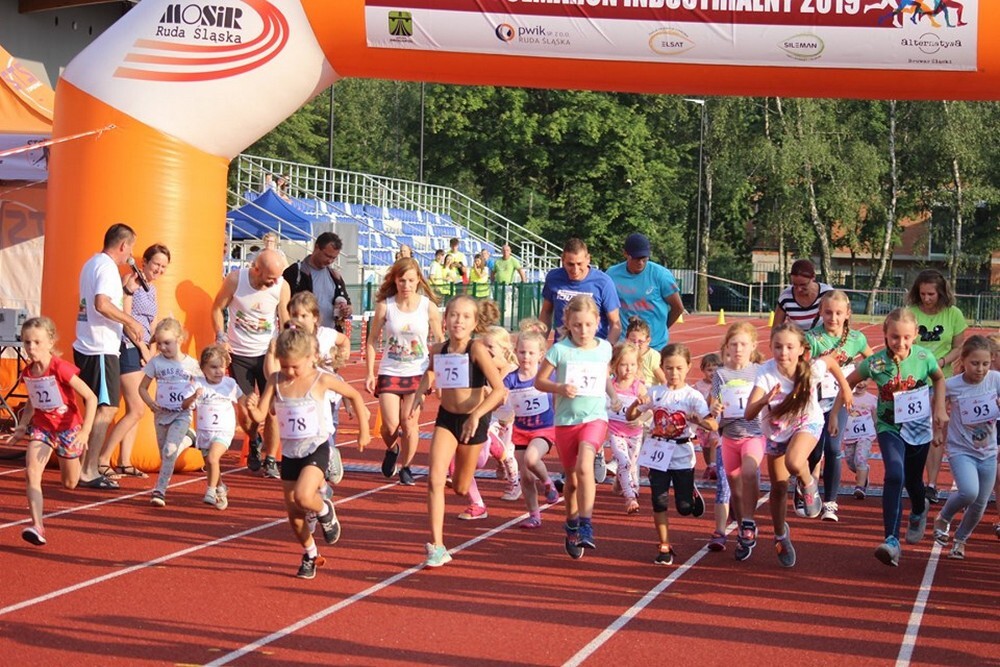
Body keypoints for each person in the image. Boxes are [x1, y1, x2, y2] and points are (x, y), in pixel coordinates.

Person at [246, 328, 370, 579]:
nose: (289, 372)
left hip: (316, 447)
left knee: (304, 496)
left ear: (310, 358)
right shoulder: (276, 380)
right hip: (290, 453)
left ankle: (325, 510)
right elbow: (262, 415)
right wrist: (250, 410)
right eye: (284, 366)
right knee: (294, 516)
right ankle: (311, 554)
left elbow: (354, 395)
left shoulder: (321, 379)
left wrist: (364, 431)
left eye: (295, 367)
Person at [831, 308, 947, 567]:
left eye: (906, 337)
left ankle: (918, 510)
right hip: (889, 428)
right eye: (895, 337)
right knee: (895, 474)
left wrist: (939, 408)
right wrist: (836, 413)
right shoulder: (875, 363)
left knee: (915, 481)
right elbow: (847, 382)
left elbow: (939, 379)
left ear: (915, 335)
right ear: (885, 335)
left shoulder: (923, 357)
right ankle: (891, 540)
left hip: (918, 429)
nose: (901, 343)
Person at [745, 323, 851, 567]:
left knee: (795, 461)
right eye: (778, 347)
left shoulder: (811, 368)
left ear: (802, 349)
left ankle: (808, 482)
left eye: (789, 347)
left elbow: (832, 362)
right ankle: (781, 535)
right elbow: (749, 413)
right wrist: (764, 400)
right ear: (770, 347)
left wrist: (845, 389)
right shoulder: (765, 372)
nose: (783, 352)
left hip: (807, 422)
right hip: (776, 431)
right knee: (779, 487)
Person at [413, 296, 507, 567]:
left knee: (461, 486)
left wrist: (477, 415)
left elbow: (500, 390)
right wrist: (421, 392)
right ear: (446, 318)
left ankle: (490, 450)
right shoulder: (439, 349)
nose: (458, 321)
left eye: (466, 317)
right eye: (454, 315)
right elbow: (430, 373)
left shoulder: (476, 349)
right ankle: (437, 546)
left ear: (475, 323)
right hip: (447, 419)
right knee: (434, 479)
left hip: (473, 421)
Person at [534, 294, 613, 558]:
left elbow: (605, 378)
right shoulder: (560, 350)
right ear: (567, 322)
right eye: (577, 325)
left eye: (589, 325)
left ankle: (587, 524)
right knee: (572, 482)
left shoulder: (604, 348)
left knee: (584, 466)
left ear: (597, 323)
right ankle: (571, 522)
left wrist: (615, 396)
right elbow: (539, 381)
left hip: (595, 418)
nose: (583, 331)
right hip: (566, 421)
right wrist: (560, 387)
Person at [626, 343, 716, 565]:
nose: (673, 373)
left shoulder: (693, 396)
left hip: (682, 454)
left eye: (678, 368)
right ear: (662, 368)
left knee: (684, 508)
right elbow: (630, 416)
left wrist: (700, 421)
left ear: (687, 367)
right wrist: (636, 405)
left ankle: (691, 494)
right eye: (668, 368)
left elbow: (712, 424)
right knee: (659, 500)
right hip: (657, 452)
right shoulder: (655, 393)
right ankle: (664, 544)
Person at [74, 223, 146, 490]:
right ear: (123, 246)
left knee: (99, 406)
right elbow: (101, 303)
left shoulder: (93, 263)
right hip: (99, 347)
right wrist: (130, 321)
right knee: (107, 408)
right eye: (132, 248)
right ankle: (89, 468)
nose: (132, 254)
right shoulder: (105, 267)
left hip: (94, 345)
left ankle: (88, 466)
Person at [15, 317, 98, 546]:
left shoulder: (60, 368)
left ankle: (73, 466)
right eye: (27, 342)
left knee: (70, 483)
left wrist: (85, 432)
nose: (31, 348)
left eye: (37, 342)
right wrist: (23, 425)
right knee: (31, 473)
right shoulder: (28, 372)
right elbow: (32, 401)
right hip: (42, 428)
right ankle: (37, 525)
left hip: (69, 429)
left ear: (50, 342)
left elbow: (91, 397)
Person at [211, 248, 290, 478]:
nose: (273, 282)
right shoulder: (236, 279)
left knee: (273, 410)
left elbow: (284, 317)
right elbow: (217, 308)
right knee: (246, 413)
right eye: (269, 278)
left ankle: (271, 458)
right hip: (239, 354)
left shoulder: (281, 286)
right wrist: (220, 336)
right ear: (256, 269)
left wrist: (287, 346)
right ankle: (254, 438)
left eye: (277, 278)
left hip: (268, 354)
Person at [365, 258, 443, 486]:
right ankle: (392, 448)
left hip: (417, 371)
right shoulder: (385, 306)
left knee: (408, 423)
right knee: (388, 426)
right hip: (390, 369)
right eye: (401, 280)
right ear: (395, 280)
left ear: (418, 280)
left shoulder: (428, 306)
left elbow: (439, 341)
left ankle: (407, 467)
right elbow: (371, 341)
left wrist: (438, 373)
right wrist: (370, 373)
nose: (406, 285)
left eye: (410, 280)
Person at [99, 244, 171, 480]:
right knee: (138, 408)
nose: (158, 269)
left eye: (163, 266)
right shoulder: (129, 282)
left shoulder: (153, 289)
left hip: (144, 350)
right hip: (128, 346)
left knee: (133, 409)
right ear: (145, 263)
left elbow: (152, 323)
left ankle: (124, 461)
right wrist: (140, 346)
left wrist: (153, 348)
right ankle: (102, 459)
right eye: (155, 264)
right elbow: (125, 318)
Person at [805, 290, 873, 522]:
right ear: (821, 313)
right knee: (814, 450)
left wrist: (863, 376)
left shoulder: (856, 339)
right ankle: (807, 487)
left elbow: (871, 359)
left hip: (841, 399)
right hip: (814, 400)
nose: (833, 318)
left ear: (847, 314)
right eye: (828, 312)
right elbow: (801, 368)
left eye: (838, 313)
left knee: (834, 448)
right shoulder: (812, 338)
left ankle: (830, 502)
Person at [931, 336, 998, 560]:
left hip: (988, 452)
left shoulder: (996, 380)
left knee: (979, 505)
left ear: (992, 361)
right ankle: (944, 517)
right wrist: (938, 429)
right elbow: (937, 405)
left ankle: (960, 540)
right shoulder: (951, 385)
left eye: (985, 364)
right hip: (961, 450)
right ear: (964, 361)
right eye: (975, 363)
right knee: (969, 492)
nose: (980, 369)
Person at [905, 269, 968, 504]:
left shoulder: (954, 314)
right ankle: (913, 478)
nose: (926, 298)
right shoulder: (910, 313)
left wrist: (939, 363)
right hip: (913, 380)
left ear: (941, 293)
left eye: (931, 294)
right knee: (912, 429)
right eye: (922, 293)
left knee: (936, 428)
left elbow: (959, 347)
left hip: (941, 379)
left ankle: (931, 484)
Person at [710, 322, 766, 562]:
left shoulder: (760, 372)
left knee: (750, 473)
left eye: (744, 344)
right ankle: (744, 523)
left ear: (753, 346)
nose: (739, 348)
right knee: (733, 481)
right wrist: (714, 407)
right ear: (726, 348)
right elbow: (715, 405)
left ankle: (749, 521)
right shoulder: (720, 374)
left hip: (753, 434)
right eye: (734, 344)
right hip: (729, 436)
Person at [138, 319, 201, 508]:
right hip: (161, 415)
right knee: (164, 454)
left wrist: (195, 399)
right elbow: (142, 388)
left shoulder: (191, 364)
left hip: (182, 414)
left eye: (167, 343)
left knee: (169, 450)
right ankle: (189, 438)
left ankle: (160, 490)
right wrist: (151, 403)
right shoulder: (156, 363)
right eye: (160, 343)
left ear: (179, 340)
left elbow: (202, 385)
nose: (163, 348)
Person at [505, 328, 561, 529]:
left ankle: (548, 482)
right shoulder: (511, 379)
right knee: (526, 477)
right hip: (521, 431)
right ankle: (534, 515)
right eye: (521, 352)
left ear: (540, 355)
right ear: (515, 351)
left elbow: (558, 397)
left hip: (544, 429)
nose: (525, 357)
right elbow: (501, 397)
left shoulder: (548, 376)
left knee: (531, 459)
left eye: (530, 353)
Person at [183, 345, 245, 511]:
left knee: (212, 458)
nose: (218, 371)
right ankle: (220, 486)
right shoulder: (197, 384)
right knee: (211, 464)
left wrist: (249, 409)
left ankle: (210, 491)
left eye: (221, 367)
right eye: (213, 367)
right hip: (204, 432)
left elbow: (243, 399)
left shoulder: (229, 383)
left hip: (224, 430)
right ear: (203, 368)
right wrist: (193, 397)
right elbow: (184, 405)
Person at [606, 233, 684, 350]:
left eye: (644, 258)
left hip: (654, 345)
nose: (641, 263)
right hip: (624, 344)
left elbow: (678, 307)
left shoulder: (661, 275)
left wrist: (662, 328)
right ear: (626, 254)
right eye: (636, 258)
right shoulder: (612, 274)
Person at [539, 238, 622, 343]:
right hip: (564, 348)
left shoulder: (603, 282)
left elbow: (615, 323)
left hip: (593, 349)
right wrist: (540, 343)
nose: (575, 270)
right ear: (562, 260)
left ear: (588, 259)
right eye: (570, 264)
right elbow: (546, 312)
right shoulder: (553, 278)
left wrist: (606, 349)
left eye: (579, 264)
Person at [606, 342, 647, 515]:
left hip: (634, 433)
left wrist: (641, 420)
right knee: (624, 462)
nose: (628, 369)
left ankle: (624, 483)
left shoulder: (639, 387)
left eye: (632, 365)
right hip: (616, 431)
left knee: (632, 465)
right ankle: (630, 497)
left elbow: (650, 408)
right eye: (623, 365)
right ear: (615, 365)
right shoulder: (610, 385)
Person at [282, 232, 353, 332]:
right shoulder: (294, 272)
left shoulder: (335, 276)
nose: (330, 261)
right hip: (302, 336)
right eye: (327, 256)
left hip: (329, 336)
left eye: (334, 258)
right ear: (316, 248)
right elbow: (283, 305)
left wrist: (346, 310)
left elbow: (348, 303)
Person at [771, 259, 833, 331]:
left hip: (824, 340)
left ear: (813, 277)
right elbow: (776, 329)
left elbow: (845, 321)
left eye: (803, 285)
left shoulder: (827, 294)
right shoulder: (786, 297)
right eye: (794, 284)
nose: (798, 289)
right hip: (797, 340)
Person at [842, 380, 879, 500]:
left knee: (860, 458)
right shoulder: (846, 397)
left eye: (864, 381)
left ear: (869, 381)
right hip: (849, 434)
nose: (860, 384)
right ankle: (864, 472)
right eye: (857, 381)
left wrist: (877, 430)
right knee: (851, 463)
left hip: (866, 435)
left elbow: (876, 417)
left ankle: (860, 487)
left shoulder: (872, 399)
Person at [625, 317, 667, 387]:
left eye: (640, 342)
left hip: (648, 389)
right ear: (627, 339)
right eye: (632, 341)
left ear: (648, 341)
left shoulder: (652, 356)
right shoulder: (624, 354)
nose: (636, 345)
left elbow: (663, 380)